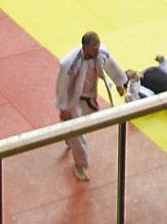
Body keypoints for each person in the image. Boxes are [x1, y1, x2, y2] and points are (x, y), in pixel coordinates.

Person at [55, 32, 129, 180]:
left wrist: (119, 83)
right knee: (78, 132)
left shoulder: (101, 53)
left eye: (97, 49)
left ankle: (69, 134)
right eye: (93, 50)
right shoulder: (70, 63)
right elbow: (62, 85)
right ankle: (80, 165)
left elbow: (111, 66)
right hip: (74, 99)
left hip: (90, 96)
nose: (96, 53)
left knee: (83, 126)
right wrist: (63, 107)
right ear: (84, 48)